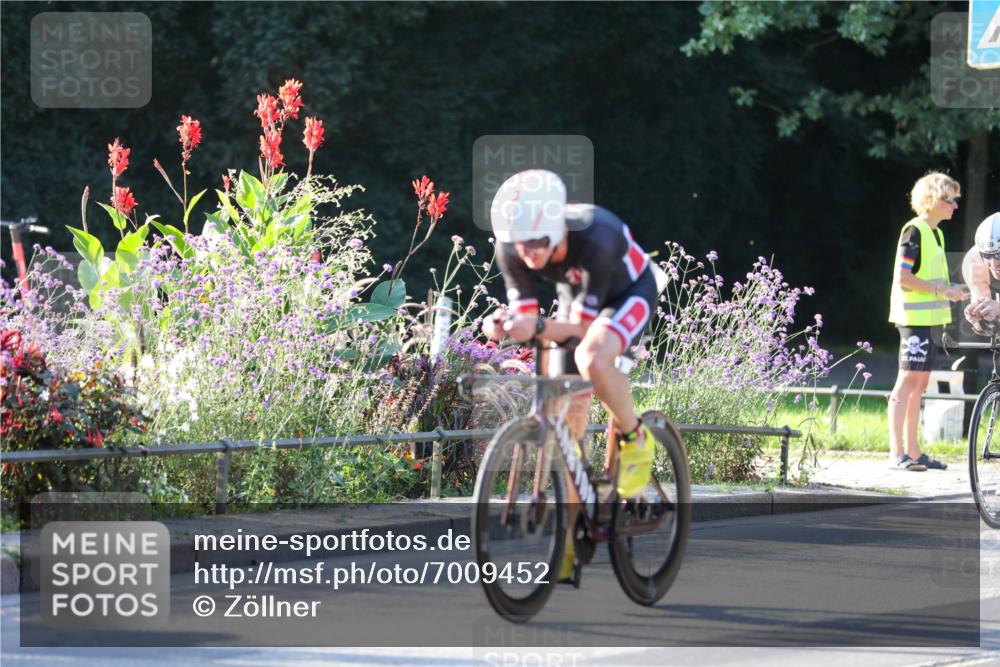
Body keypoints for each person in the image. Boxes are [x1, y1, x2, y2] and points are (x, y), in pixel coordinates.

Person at [481, 169, 659, 580]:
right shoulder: (514, 246)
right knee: (564, 425)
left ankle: (635, 438)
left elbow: (579, 332)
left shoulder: (596, 236)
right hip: (577, 299)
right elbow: (525, 314)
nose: (528, 254)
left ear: (558, 227)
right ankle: (566, 541)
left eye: (539, 242)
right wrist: (502, 325)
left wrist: (539, 327)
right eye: (519, 243)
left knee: (593, 358)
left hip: (627, 293)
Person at [887, 172, 967, 471]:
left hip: (931, 321)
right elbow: (903, 278)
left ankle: (915, 452)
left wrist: (955, 290)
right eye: (950, 200)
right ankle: (897, 453)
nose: (955, 206)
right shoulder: (915, 231)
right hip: (914, 320)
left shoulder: (937, 233)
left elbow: (935, 280)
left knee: (919, 385)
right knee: (906, 382)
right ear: (932, 201)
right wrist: (940, 289)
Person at [962, 212, 1000, 333]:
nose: (994, 264)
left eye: (999, 255)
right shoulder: (974, 260)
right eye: (987, 255)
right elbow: (988, 328)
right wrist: (979, 318)